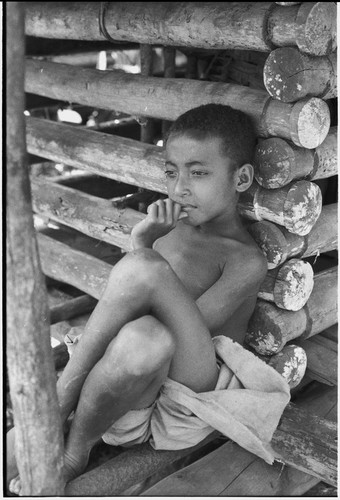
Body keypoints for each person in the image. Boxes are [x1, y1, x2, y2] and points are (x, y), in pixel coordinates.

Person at [8, 103, 272, 493]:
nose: (180, 187)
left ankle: (68, 427)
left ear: (242, 178)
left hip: (192, 382)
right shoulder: (166, 230)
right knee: (143, 336)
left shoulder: (246, 260)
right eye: (171, 172)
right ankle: (64, 437)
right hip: (141, 364)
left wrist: (141, 249)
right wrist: (144, 241)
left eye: (198, 173)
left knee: (146, 275)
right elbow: (142, 320)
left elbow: (193, 326)